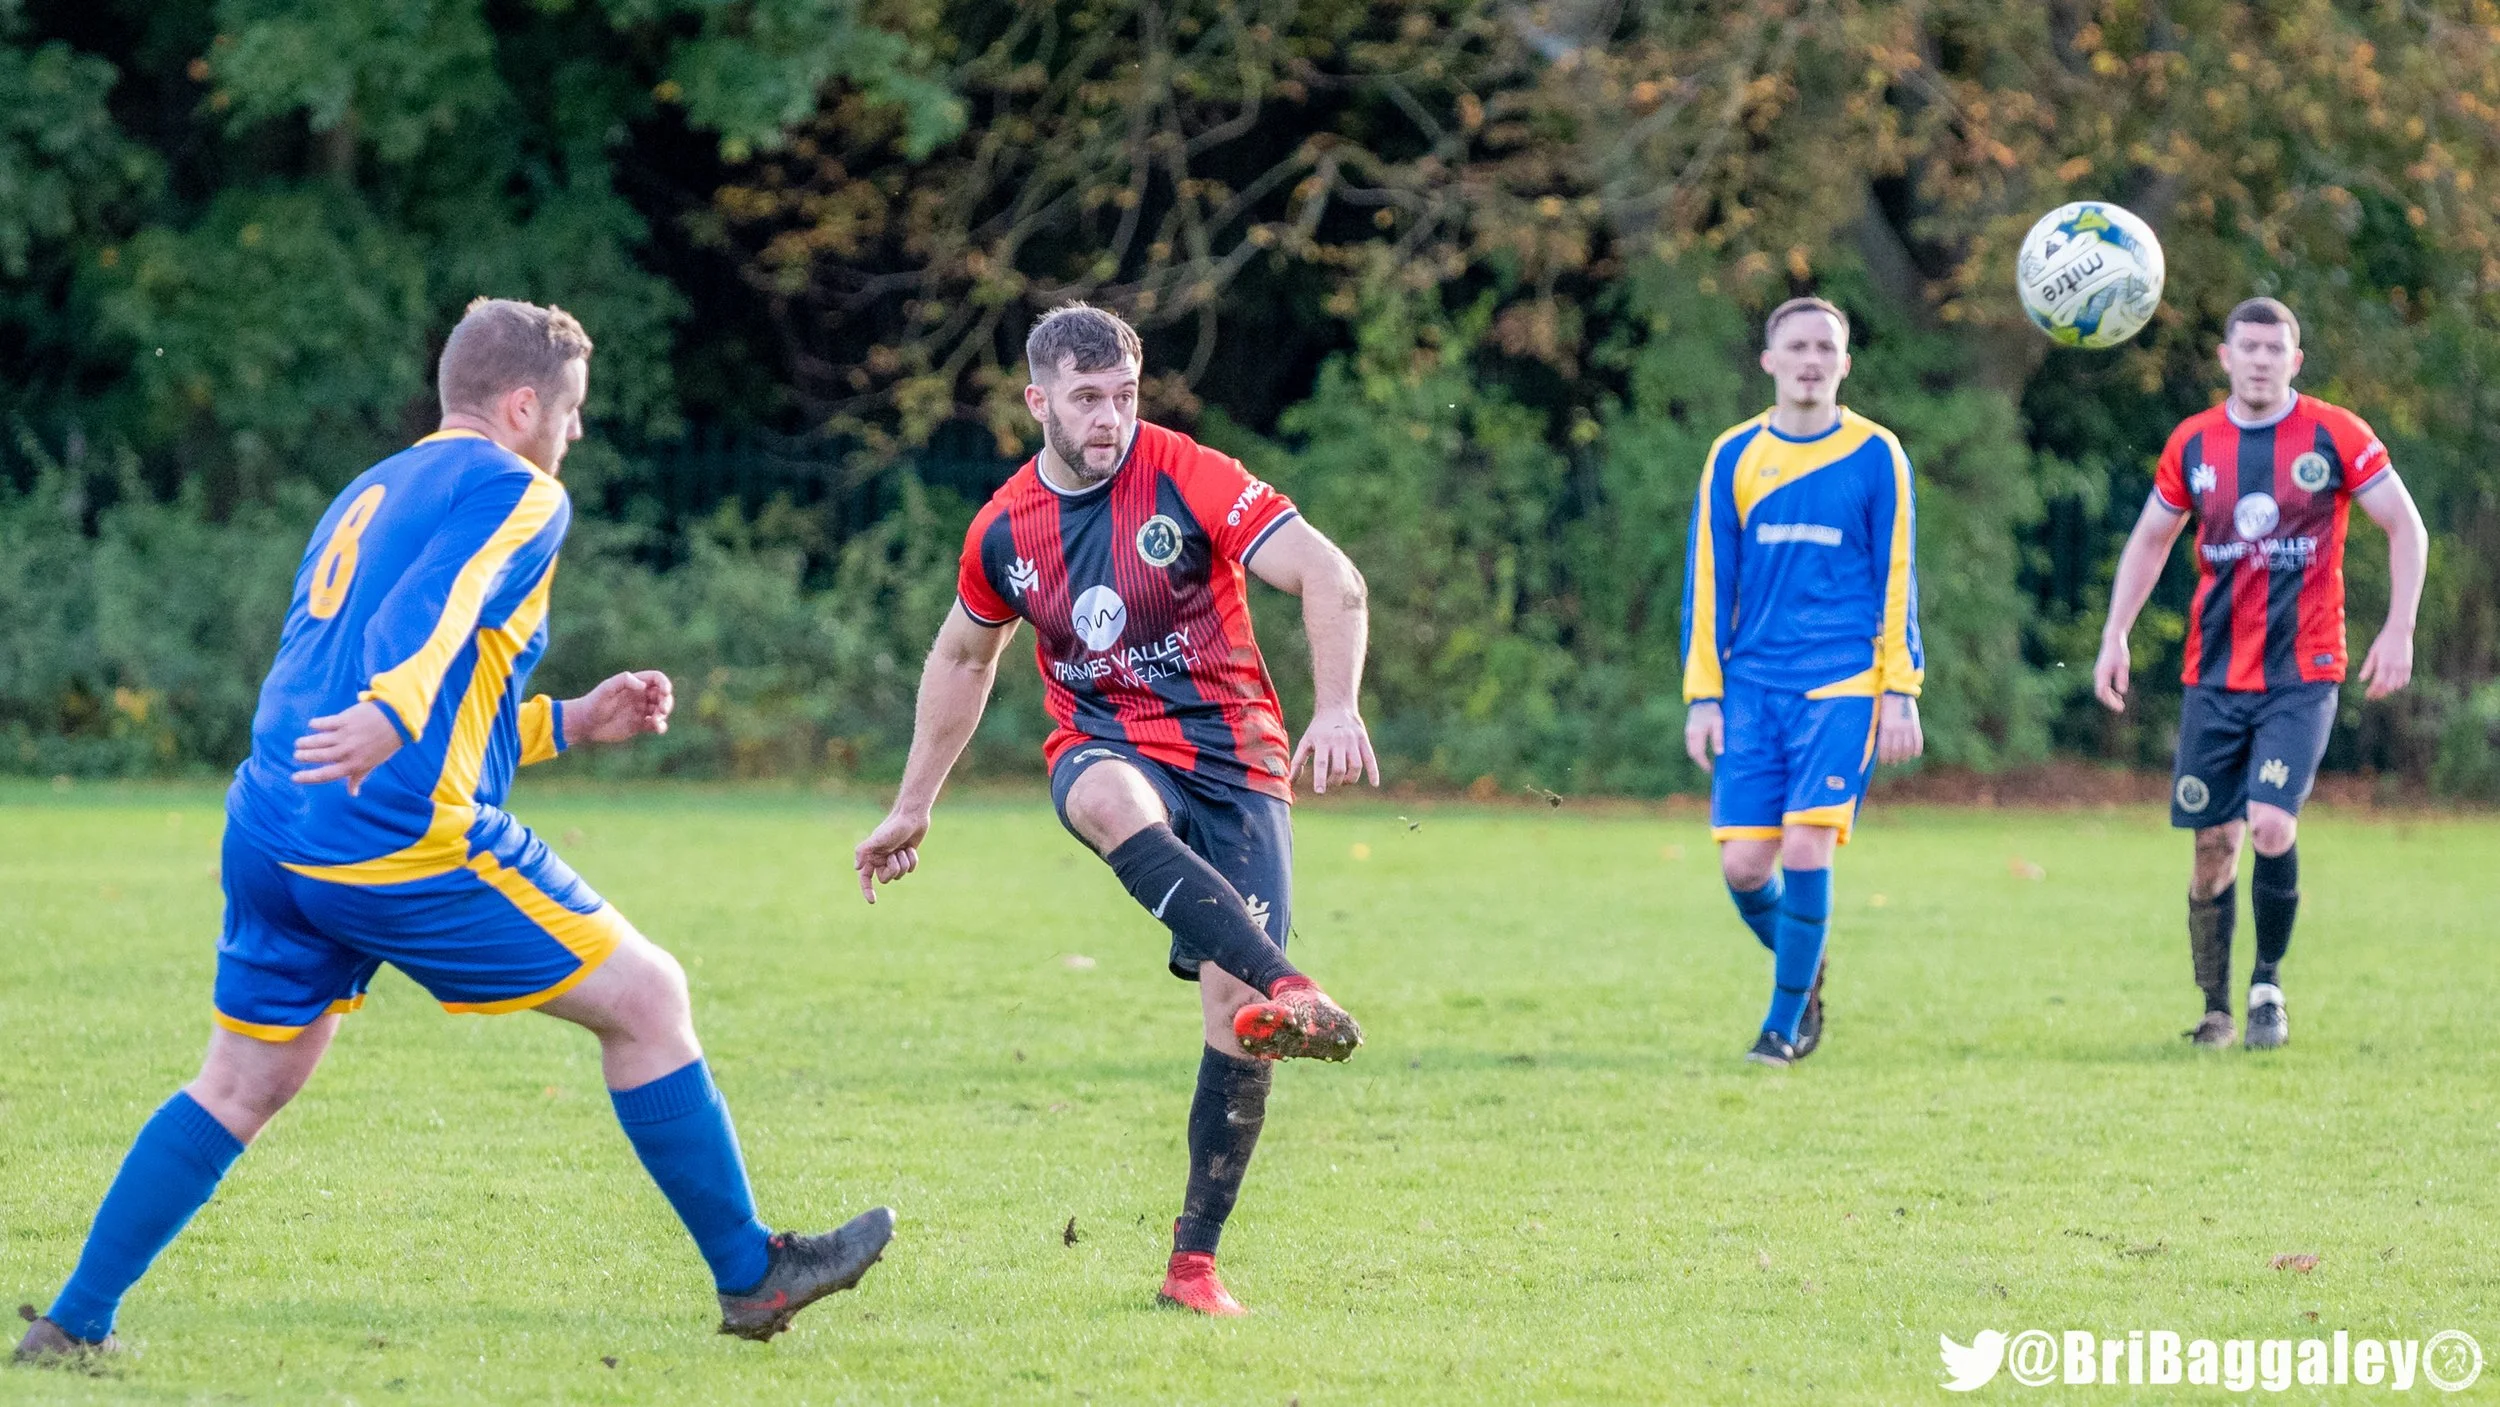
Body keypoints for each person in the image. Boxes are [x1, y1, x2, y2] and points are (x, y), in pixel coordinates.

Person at [15, 298, 889, 1365]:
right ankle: (754, 1276)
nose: (575, 433)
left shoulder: (371, 490)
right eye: (570, 411)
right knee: (650, 999)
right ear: (522, 406)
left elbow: (408, 695)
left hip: (272, 826)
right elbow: (435, 612)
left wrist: (571, 722)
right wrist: (394, 706)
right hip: (389, 840)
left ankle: (73, 1323)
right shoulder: (520, 492)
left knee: (239, 1085)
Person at [851, 302, 1372, 1316]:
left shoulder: (1187, 474)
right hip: (1108, 739)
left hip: (1236, 759)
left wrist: (1338, 704)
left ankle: (1192, 1268)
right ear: (1037, 401)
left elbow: (1327, 573)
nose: (1111, 418)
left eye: (1125, 395)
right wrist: (913, 804)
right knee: (1100, 794)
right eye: (1087, 398)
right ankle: (1293, 981)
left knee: (1239, 1020)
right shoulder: (1007, 528)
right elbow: (963, 656)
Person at [2092, 297, 2428, 1050]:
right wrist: (2115, 632)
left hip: (2302, 672)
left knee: (2271, 824)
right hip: (2213, 676)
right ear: (2225, 357)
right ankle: (2215, 1009)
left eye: (2275, 349)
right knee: (2213, 844)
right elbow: (2150, 540)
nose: (2261, 361)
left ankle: (2266, 987)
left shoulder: (2335, 434)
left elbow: (2404, 525)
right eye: (2248, 347)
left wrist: (2399, 626)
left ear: (2294, 361)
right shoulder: (2193, 443)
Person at [1680, 296, 1926, 1067]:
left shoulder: (1877, 453)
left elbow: (1898, 575)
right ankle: (1805, 965)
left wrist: (1900, 689)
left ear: (1845, 363)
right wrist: (1704, 696)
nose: (1812, 360)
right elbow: (1709, 583)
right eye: (1798, 346)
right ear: (1770, 360)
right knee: (1744, 867)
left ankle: (1782, 1027)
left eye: (1826, 347)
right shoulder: (1733, 454)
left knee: (1807, 847)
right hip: (1753, 686)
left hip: (1844, 681)